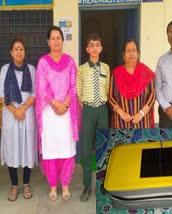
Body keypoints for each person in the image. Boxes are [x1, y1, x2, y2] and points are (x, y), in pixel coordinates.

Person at [35, 26, 80, 201]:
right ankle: (53, 186)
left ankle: (66, 185)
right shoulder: (43, 62)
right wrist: (55, 103)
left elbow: (73, 85)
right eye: (52, 38)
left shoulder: (69, 61)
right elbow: (40, 88)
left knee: (66, 149)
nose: (56, 41)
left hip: (67, 113)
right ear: (48, 42)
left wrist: (66, 104)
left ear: (62, 40)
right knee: (51, 149)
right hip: (49, 112)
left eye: (58, 38)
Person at [0, 39, 36, 201]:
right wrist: (15, 110)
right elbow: (0, 95)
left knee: (27, 147)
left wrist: (22, 109)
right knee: (12, 148)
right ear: (11, 52)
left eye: (21, 48)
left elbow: (35, 93)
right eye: (16, 49)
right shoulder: (5, 69)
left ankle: (26, 183)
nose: (19, 51)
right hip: (10, 115)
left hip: (27, 114)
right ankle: (14, 185)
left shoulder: (31, 69)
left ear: (24, 51)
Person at [77, 33, 110, 201]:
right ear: (87, 49)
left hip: (102, 110)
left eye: (98, 45)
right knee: (86, 149)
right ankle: (87, 186)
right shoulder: (81, 69)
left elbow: (107, 90)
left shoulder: (106, 68)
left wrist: (99, 105)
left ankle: (102, 184)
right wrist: (87, 107)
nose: (95, 48)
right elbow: (79, 91)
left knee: (103, 148)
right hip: (88, 111)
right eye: (92, 45)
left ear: (101, 48)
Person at [109, 39, 156, 128]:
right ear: (124, 55)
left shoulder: (146, 72)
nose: (131, 53)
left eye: (134, 50)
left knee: (141, 142)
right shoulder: (116, 74)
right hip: (120, 123)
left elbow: (152, 96)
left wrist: (141, 114)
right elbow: (110, 97)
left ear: (138, 54)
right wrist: (122, 113)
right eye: (128, 51)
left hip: (142, 123)